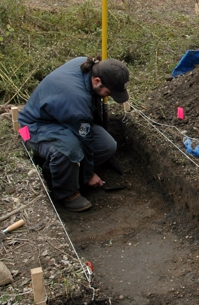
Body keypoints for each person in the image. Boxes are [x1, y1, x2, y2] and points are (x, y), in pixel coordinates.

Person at [18, 56, 129, 212]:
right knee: (68, 150)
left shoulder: (86, 65)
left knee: (107, 145)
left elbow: (87, 128)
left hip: (61, 118)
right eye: (109, 93)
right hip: (31, 129)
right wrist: (89, 174)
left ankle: (70, 172)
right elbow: (86, 138)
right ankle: (66, 193)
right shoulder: (76, 99)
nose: (108, 96)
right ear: (97, 81)